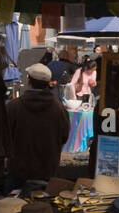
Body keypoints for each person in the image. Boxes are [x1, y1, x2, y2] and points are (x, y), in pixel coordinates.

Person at [4, 63, 71, 191]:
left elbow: (5, 136)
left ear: (29, 81)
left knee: (13, 208)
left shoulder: (14, 106)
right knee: (42, 208)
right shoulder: (58, 108)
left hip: (19, 168)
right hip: (47, 168)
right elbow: (64, 135)